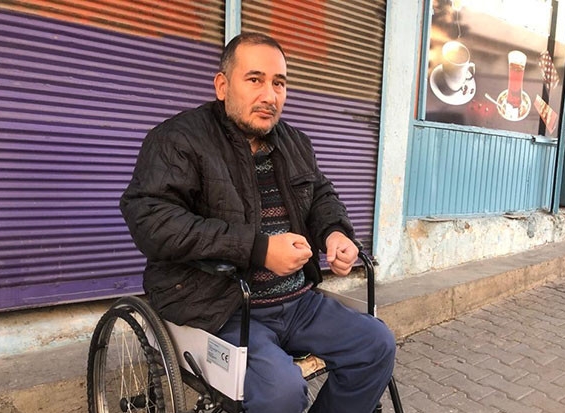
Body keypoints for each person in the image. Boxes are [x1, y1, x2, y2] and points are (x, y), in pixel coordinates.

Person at [120, 32, 396, 413]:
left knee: (376, 345)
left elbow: (320, 195)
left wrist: (335, 233)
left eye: (279, 83)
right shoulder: (178, 139)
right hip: (218, 305)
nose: (270, 95)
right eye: (255, 79)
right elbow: (151, 219)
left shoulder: (295, 142)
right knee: (281, 392)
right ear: (222, 86)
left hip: (297, 302)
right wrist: (259, 249)